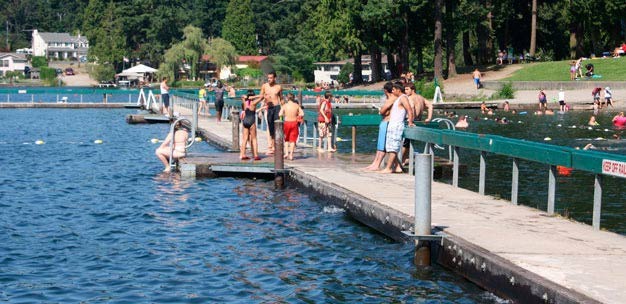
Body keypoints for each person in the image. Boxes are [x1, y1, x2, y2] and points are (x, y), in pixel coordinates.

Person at [380, 82, 414, 174]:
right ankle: (398, 167)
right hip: (392, 125)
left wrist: (410, 122)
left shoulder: (403, 98)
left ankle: (388, 168)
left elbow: (409, 110)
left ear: (398, 90)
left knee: (393, 147)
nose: (392, 90)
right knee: (390, 146)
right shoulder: (398, 99)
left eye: (394, 89)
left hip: (397, 125)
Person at [365, 82, 393, 171]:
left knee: (383, 146)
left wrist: (381, 110)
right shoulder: (390, 99)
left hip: (387, 122)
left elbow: (384, 112)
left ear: (385, 90)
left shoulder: (391, 99)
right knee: (380, 145)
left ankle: (377, 164)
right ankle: (375, 163)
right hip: (384, 122)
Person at [401, 83, 432, 165]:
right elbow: (430, 105)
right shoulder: (421, 98)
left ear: (413, 89)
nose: (405, 91)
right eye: (404, 89)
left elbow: (412, 107)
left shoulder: (410, 98)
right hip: (418, 122)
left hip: (411, 122)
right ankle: (403, 160)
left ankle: (401, 160)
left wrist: (410, 119)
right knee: (408, 143)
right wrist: (429, 118)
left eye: (407, 89)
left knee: (405, 143)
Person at [259, 71, 283, 155]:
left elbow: (281, 99)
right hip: (269, 108)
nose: (269, 79)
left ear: (274, 78)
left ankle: (275, 146)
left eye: (271, 78)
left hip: (277, 107)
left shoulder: (278, 87)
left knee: (277, 126)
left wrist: (283, 109)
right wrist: (260, 109)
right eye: (268, 78)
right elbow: (260, 97)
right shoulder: (264, 86)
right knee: (270, 127)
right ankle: (270, 146)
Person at [279, 93, 304, 160]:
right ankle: (291, 155)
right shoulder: (296, 105)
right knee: (292, 140)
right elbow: (302, 113)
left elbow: (280, 114)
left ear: (287, 98)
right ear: (293, 98)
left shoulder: (285, 105)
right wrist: (297, 115)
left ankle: (286, 153)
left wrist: (285, 114)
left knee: (286, 139)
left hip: (287, 122)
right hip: (294, 123)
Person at [240, 90, 261, 161]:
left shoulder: (244, 102)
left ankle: (243, 154)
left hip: (245, 121)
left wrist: (247, 97)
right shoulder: (254, 103)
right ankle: (255, 155)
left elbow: (242, 96)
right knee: (254, 138)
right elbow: (262, 97)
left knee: (244, 139)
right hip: (252, 121)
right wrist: (254, 97)